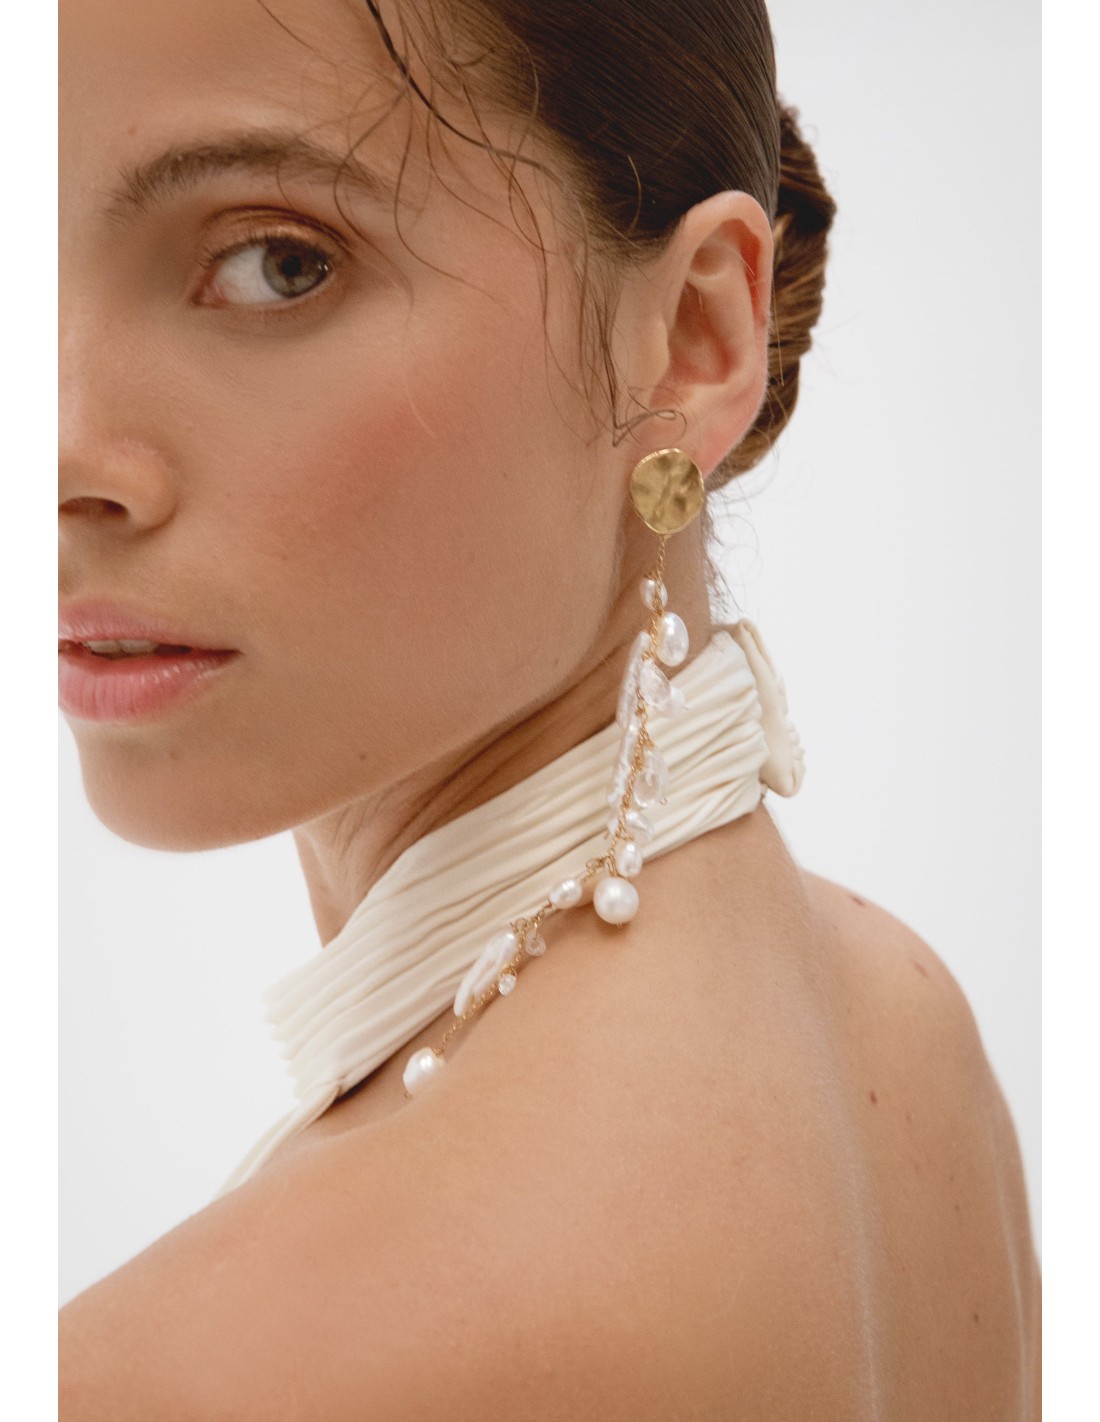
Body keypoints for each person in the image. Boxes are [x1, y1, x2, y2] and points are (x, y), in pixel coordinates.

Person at [58, 0, 1040, 1415]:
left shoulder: (232, 1366)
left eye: (279, 263)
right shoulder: (907, 1026)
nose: (60, 456)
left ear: (695, 334)